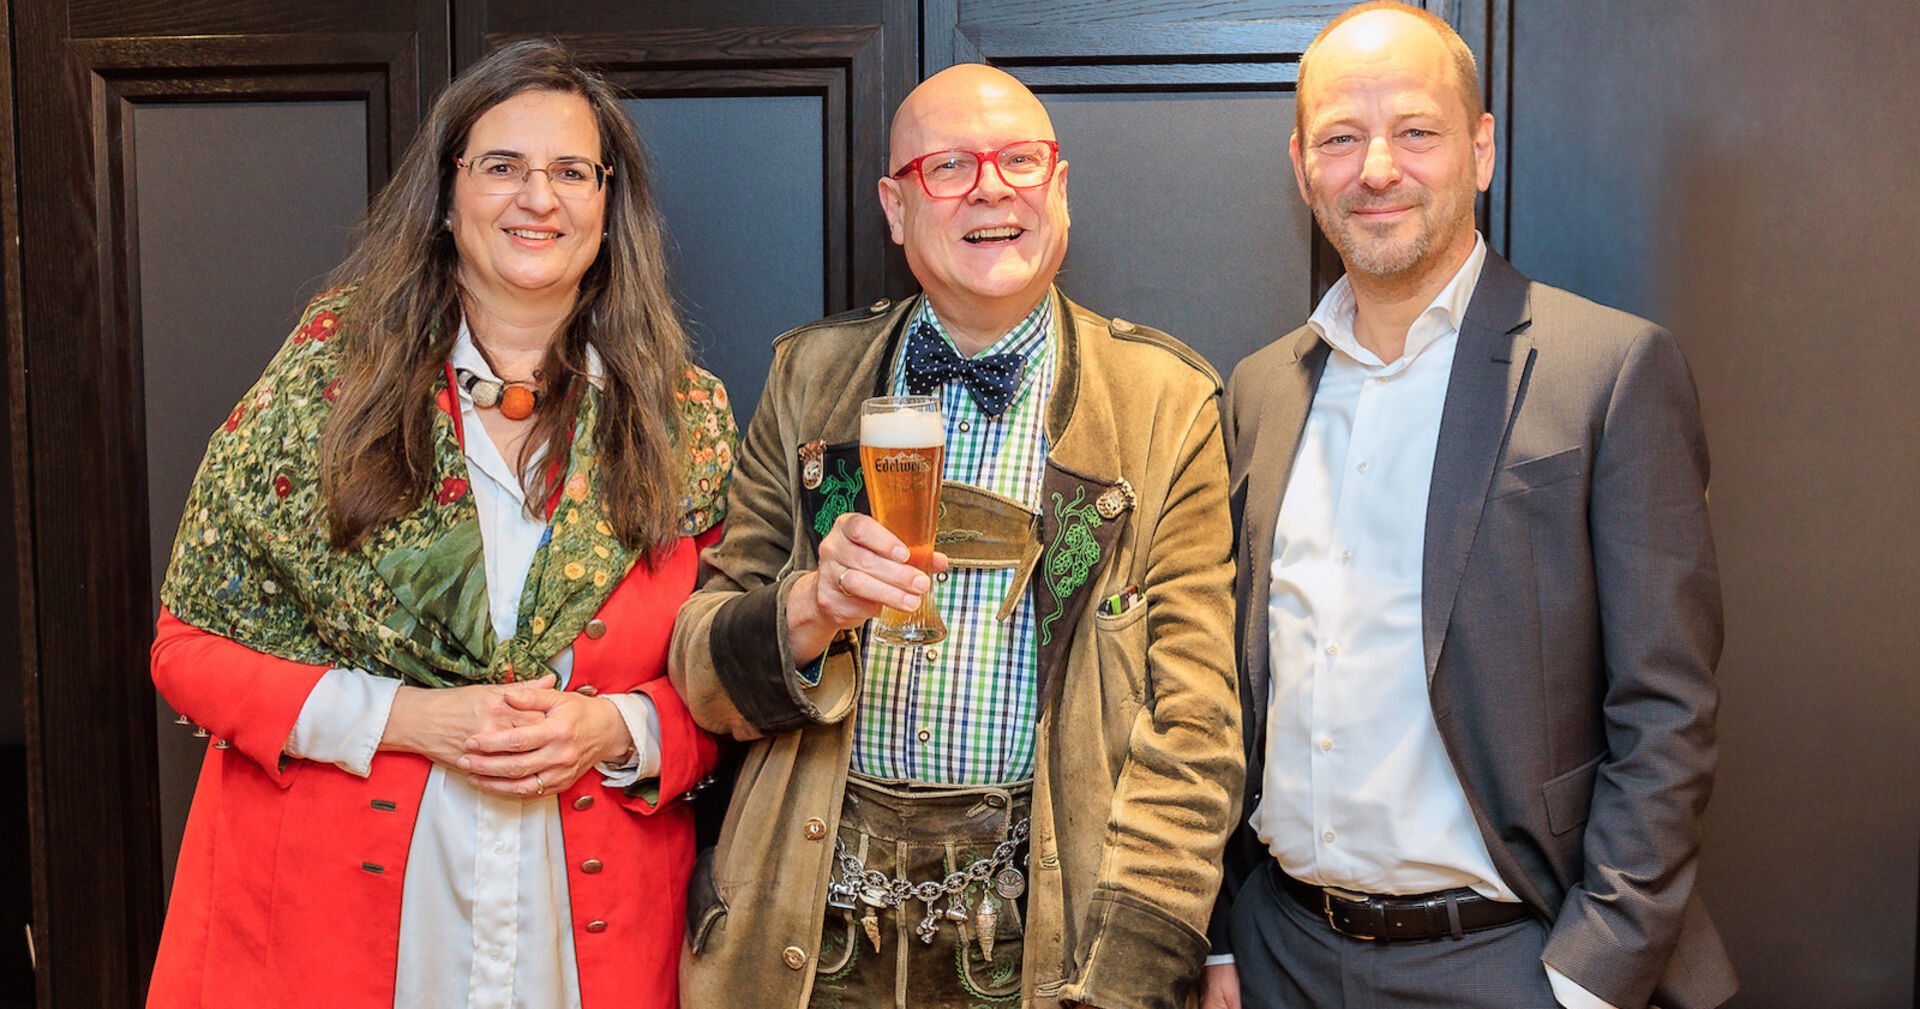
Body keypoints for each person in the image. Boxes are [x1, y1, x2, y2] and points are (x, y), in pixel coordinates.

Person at [147, 39, 733, 1009]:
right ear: (448, 195)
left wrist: (609, 728)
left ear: (608, 203)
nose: (536, 197)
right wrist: (411, 717)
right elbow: (189, 649)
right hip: (338, 927)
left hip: (581, 934)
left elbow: (722, 683)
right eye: (502, 166)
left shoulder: (686, 419)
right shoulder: (332, 386)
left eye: (570, 172)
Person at [668, 63, 1241, 1009]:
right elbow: (700, 667)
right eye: (950, 167)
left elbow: (1197, 732)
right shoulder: (811, 377)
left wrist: (1132, 978)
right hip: (813, 937)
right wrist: (810, 610)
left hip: (1041, 943)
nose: (992, 187)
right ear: (895, 208)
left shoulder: (1164, 403)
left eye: (1021, 160)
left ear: (1058, 189)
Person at [1201, 4, 1736, 1009]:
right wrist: (1228, 940)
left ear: (1480, 149)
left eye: (1416, 131)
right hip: (1282, 956)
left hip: (1510, 960)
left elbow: (1666, 708)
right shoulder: (1260, 390)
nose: (1376, 168)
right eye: (1341, 138)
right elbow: (1232, 688)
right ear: (1302, 164)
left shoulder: (1609, 371)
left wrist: (1593, 978)